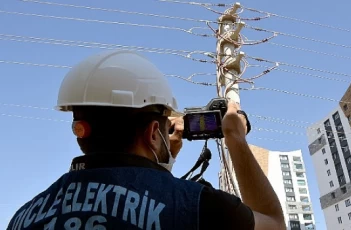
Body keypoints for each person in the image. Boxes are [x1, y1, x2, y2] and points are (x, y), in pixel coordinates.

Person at [7, 50, 285, 230]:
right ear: (153, 133)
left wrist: (162, 163)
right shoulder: (198, 206)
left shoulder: (23, 217)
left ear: (80, 130)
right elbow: (273, 223)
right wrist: (235, 138)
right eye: (163, 130)